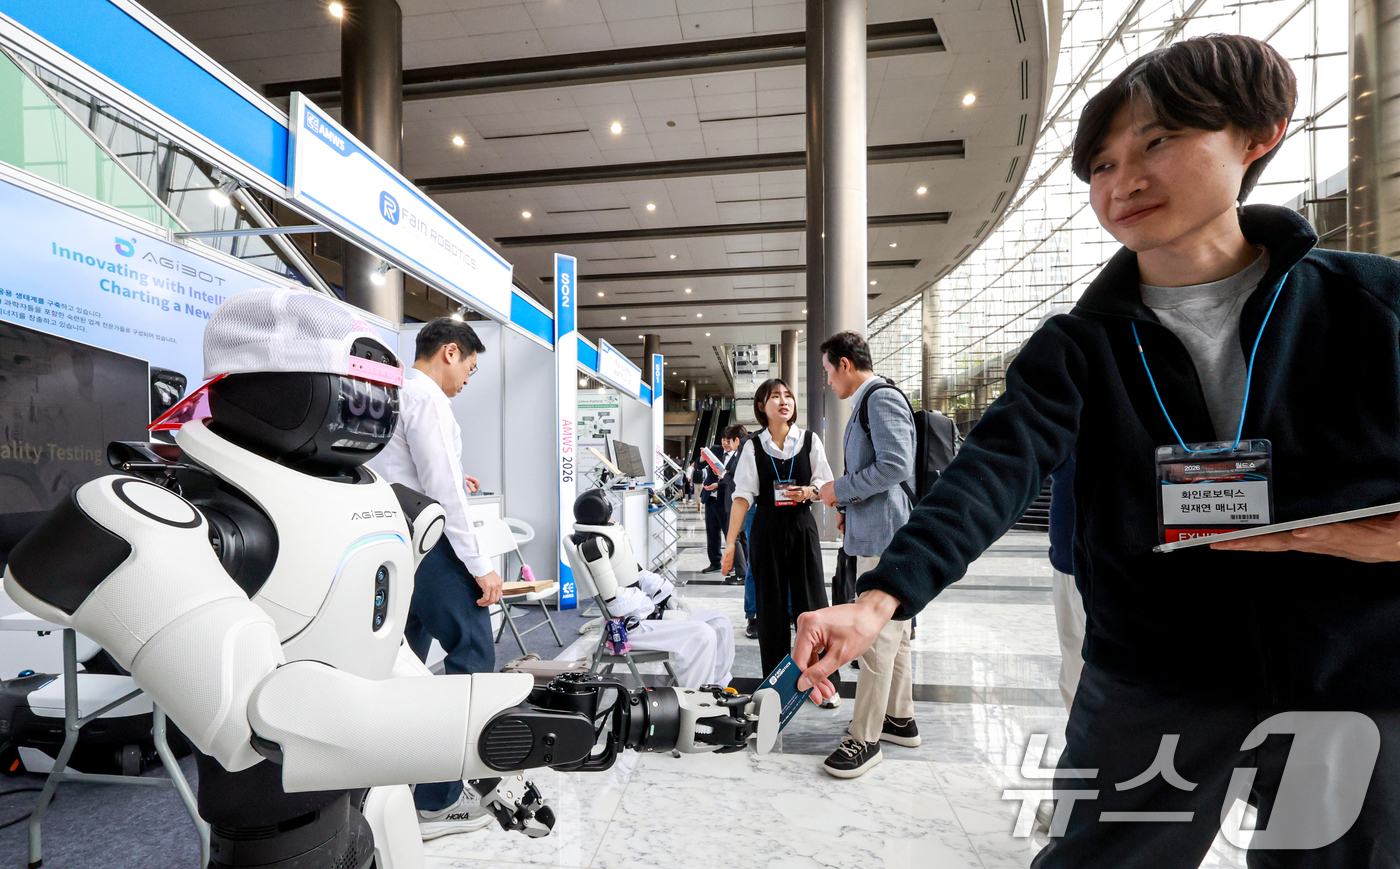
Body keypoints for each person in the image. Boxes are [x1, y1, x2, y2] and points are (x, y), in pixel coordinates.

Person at [793, 34, 1400, 867]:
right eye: (1103, 165)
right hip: (1156, 676)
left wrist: (1355, 537)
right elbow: (993, 468)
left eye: (1159, 141)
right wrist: (879, 599)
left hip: (1350, 675)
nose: (1125, 182)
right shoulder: (1079, 347)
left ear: (1258, 136)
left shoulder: (1370, 307)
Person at [367, 316, 504, 838]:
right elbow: (445, 493)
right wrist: (481, 565)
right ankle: (437, 800)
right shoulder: (428, 399)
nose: (467, 378)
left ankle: (394, 785)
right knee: (473, 657)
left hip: (393, 544)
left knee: (402, 666)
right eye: (469, 367)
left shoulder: (390, 393)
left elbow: (400, 471)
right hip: (432, 546)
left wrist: (452, 476)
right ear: (450, 352)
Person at [814, 331, 917, 778]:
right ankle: (899, 718)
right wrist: (848, 508)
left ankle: (865, 738)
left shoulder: (880, 398)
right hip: (880, 531)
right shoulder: (868, 402)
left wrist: (840, 490)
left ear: (845, 364)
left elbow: (896, 465)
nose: (828, 381)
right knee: (897, 632)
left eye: (828, 371)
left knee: (873, 637)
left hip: (885, 538)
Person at [721, 378, 840, 707]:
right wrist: (730, 544)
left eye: (788, 395)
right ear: (762, 406)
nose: (784, 401)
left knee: (812, 604)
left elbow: (825, 485)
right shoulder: (752, 446)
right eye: (775, 396)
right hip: (767, 529)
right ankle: (776, 687)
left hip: (802, 527)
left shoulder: (809, 440)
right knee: (769, 609)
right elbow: (742, 497)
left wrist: (810, 492)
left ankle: (822, 684)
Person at [717, 424, 749, 584]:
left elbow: (737, 480)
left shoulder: (743, 454)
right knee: (742, 537)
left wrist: (723, 475)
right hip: (740, 501)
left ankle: (742, 573)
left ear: (737, 440)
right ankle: (746, 571)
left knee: (734, 537)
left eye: (729, 440)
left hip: (738, 501)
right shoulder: (743, 452)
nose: (728, 444)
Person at [699, 443, 725, 574]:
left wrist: (719, 485)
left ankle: (736, 565)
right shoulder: (715, 450)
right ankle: (715, 562)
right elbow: (699, 466)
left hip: (725, 499)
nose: (726, 443)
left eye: (729, 440)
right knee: (712, 533)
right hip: (710, 498)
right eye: (724, 440)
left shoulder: (737, 454)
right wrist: (702, 457)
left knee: (731, 534)